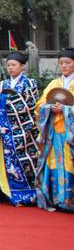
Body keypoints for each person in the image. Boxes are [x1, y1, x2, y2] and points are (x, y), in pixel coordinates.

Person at [0, 51, 40, 206]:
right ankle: (4, 193)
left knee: (23, 161)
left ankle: (25, 195)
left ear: (22, 66)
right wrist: (1, 109)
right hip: (3, 130)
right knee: (2, 160)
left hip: (22, 130)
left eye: (14, 65)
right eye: (8, 65)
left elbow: (30, 105)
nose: (10, 68)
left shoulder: (29, 84)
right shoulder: (2, 85)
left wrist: (8, 106)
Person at [34, 48, 74, 212]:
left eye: (68, 63)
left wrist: (66, 109)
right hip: (54, 132)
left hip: (70, 132)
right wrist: (50, 107)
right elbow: (40, 105)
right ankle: (57, 199)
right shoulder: (53, 84)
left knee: (69, 164)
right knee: (54, 164)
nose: (64, 66)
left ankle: (69, 200)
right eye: (61, 63)